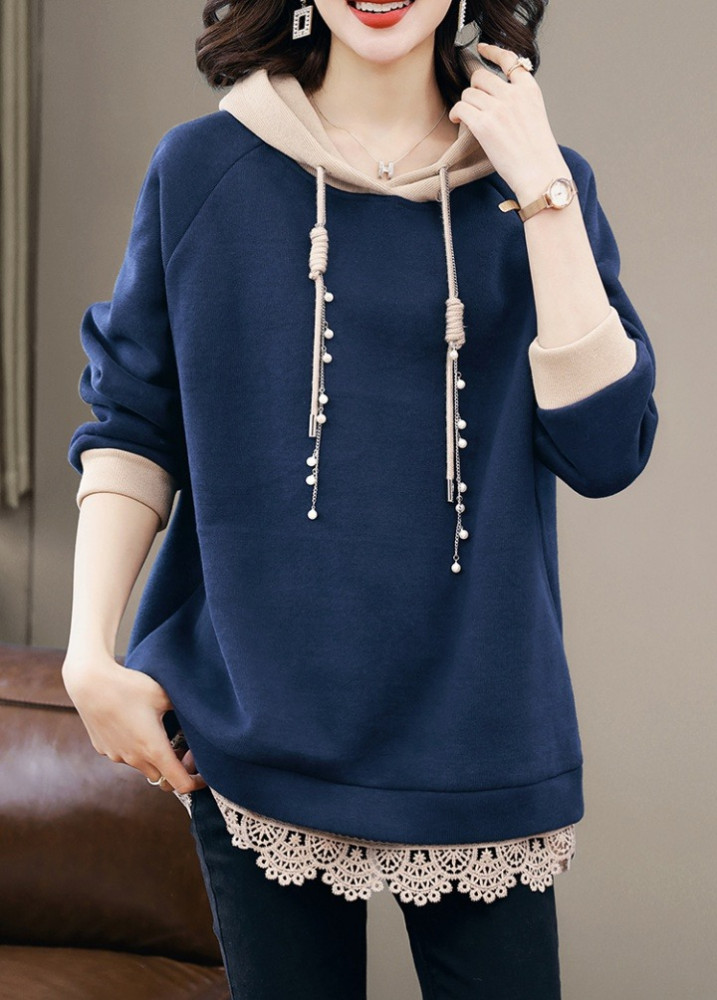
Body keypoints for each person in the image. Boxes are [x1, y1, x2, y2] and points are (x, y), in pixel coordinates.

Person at [62, 0, 659, 997]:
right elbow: (132, 424)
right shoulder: (202, 170)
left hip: (481, 733)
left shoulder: (541, 185)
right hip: (256, 733)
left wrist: (544, 192)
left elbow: (605, 450)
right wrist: (88, 651)